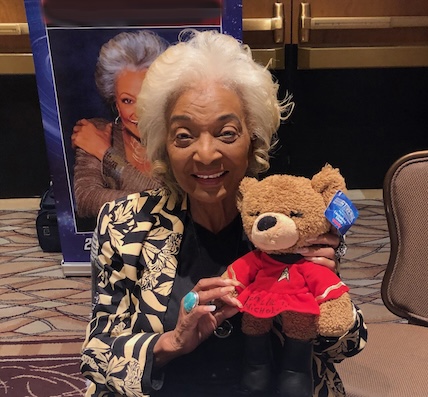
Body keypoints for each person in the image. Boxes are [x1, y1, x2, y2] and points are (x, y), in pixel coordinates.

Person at [80, 29, 367, 397]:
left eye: (226, 133)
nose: (205, 154)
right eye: (184, 136)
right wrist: (171, 342)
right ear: (163, 145)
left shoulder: (295, 223)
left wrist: (327, 293)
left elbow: (346, 347)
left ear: (254, 140)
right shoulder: (124, 224)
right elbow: (98, 355)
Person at [71, 30, 168, 220]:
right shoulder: (96, 131)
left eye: (146, 99)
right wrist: (159, 200)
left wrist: (106, 154)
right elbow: (86, 200)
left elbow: (175, 203)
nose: (139, 112)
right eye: (127, 101)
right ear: (114, 101)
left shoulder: (180, 136)